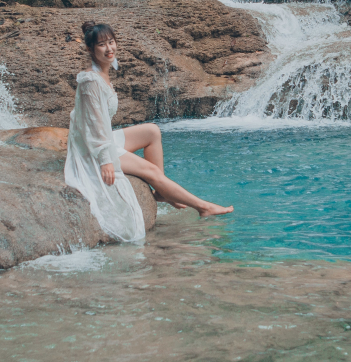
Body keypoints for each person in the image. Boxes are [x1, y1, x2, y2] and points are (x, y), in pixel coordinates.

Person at [64, 21, 233, 241]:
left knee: (152, 131)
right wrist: (106, 160)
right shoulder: (90, 82)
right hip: (93, 148)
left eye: (112, 42)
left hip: (104, 136)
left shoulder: (103, 72)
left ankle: (161, 192)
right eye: (102, 45)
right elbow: (94, 124)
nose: (109, 49)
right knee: (151, 173)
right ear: (90, 49)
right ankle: (203, 207)